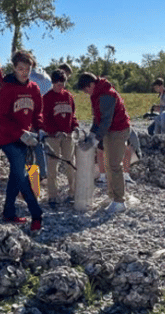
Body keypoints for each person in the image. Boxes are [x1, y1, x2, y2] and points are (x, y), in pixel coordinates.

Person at [0, 51, 43, 232]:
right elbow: (0, 117)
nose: (24, 72)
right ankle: (37, 215)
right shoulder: (7, 88)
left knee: (15, 175)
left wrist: (39, 129)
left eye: (27, 69)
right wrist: (20, 133)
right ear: (14, 68)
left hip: (26, 139)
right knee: (23, 175)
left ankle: (8, 212)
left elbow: (37, 113)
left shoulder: (34, 88)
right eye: (21, 69)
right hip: (8, 139)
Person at [77, 72, 131, 214]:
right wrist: (91, 135)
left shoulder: (107, 94)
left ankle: (120, 201)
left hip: (119, 130)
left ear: (92, 84)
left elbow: (106, 120)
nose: (86, 93)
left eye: (86, 89)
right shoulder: (96, 94)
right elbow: (97, 118)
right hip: (110, 131)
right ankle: (112, 197)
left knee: (114, 165)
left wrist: (95, 140)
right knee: (108, 164)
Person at [42, 70, 79, 207]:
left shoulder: (68, 96)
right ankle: (52, 196)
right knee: (52, 166)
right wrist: (54, 131)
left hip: (68, 136)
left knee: (70, 164)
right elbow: (44, 119)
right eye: (58, 84)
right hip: (53, 137)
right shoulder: (47, 98)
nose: (61, 86)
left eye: (63, 83)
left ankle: (73, 193)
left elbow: (72, 115)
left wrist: (75, 127)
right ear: (52, 83)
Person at [28, 59, 52, 180]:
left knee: (29, 147)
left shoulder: (28, 77)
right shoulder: (45, 77)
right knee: (39, 144)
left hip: (29, 112)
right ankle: (42, 172)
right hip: (42, 113)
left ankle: (31, 175)